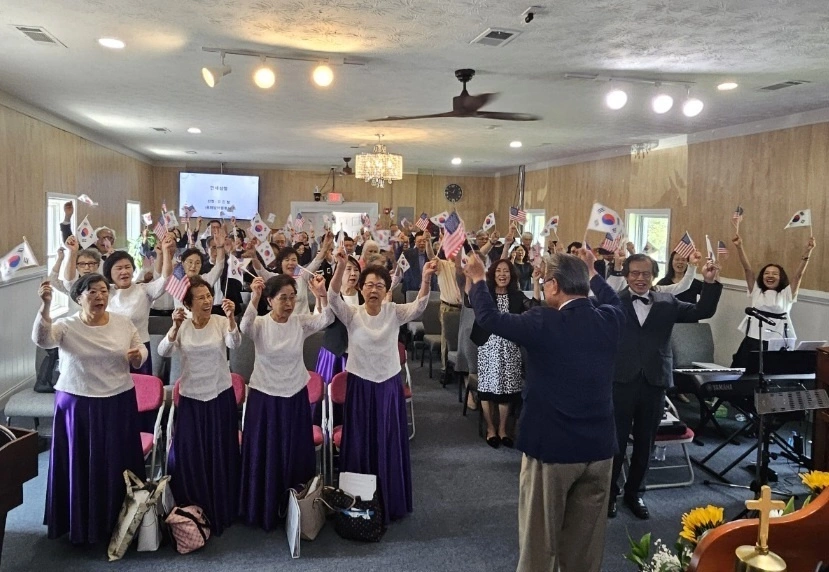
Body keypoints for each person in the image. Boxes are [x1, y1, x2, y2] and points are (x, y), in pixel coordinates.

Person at [464, 248, 623, 572]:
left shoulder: (543, 319)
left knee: (540, 544)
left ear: (552, 286)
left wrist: (479, 279)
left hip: (553, 449)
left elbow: (489, 319)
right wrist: (593, 272)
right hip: (600, 450)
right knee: (585, 549)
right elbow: (617, 302)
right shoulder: (609, 319)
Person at [33, 274, 147, 544]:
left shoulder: (122, 322)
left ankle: (118, 521)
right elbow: (42, 340)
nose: (100, 297)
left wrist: (138, 356)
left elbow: (140, 349)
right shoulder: (66, 325)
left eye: (104, 292)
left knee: (116, 461)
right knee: (79, 462)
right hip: (77, 402)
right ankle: (80, 522)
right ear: (78, 297)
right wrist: (45, 307)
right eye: (92, 292)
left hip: (117, 400)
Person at [608, 254, 723, 520]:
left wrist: (709, 283)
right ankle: (610, 493)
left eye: (646, 274)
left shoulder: (667, 302)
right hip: (620, 380)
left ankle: (635, 492)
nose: (640, 278)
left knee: (646, 442)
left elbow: (701, 311)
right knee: (616, 440)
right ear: (626, 276)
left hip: (654, 381)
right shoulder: (613, 300)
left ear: (654, 276)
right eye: (635, 273)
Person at [328, 249, 437, 523]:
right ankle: (358, 502)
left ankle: (390, 500)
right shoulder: (351, 314)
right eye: (369, 285)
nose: (374, 289)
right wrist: (340, 267)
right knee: (361, 440)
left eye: (379, 285)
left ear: (386, 289)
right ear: (361, 289)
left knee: (387, 440)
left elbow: (420, 306)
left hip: (387, 386)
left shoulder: (394, 312)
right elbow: (331, 297)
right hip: (360, 387)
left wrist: (425, 279)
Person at [239, 274, 333, 531]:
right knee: (266, 452)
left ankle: (299, 508)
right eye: (283, 298)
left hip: (294, 395)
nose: (289, 303)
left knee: (294, 451)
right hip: (264, 396)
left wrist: (320, 295)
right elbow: (244, 328)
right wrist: (253, 297)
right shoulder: (259, 323)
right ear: (270, 301)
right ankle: (265, 506)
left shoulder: (300, 323)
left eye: (292, 297)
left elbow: (326, 319)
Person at [158, 277, 241, 535]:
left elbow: (234, 344)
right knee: (190, 453)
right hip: (192, 398)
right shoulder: (182, 325)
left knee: (220, 451)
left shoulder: (218, 321)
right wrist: (173, 328)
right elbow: (163, 351)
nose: (207, 301)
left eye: (209, 296)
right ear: (188, 303)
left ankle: (223, 505)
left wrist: (230, 319)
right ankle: (192, 505)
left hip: (219, 395)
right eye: (201, 298)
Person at [471, 259, 541, 448]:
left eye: (506, 271)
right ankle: (490, 429)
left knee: (507, 390)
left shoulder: (517, 296)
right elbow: (470, 302)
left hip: (510, 348)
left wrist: (535, 283)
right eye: (499, 271)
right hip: (488, 347)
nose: (502, 275)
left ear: (512, 276)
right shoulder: (485, 293)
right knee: (487, 391)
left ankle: (502, 429)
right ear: (493, 275)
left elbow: (534, 309)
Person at [731, 232, 816, 366]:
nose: (770, 276)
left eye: (775, 273)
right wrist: (739, 247)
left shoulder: (786, 294)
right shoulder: (757, 291)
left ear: (781, 277)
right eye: (766, 273)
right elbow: (748, 269)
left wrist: (808, 252)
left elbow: (798, 275)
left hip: (778, 341)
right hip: (754, 339)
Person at [98, 235, 174, 375]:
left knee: (141, 391)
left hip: (139, 350)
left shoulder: (144, 290)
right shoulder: (104, 292)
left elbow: (166, 279)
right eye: (119, 268)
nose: (124, 272)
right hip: (110, 348)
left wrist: (166, 252)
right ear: (109, 272)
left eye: (128, 267)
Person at [251, 233, 333, 316]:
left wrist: (325, 246)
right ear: (280, 263)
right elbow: (260, 271)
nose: (291, 263)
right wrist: (253, 256)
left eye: (294, 260)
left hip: (304, 323)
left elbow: (316, 262)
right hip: (283, 323)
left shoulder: (303, 276)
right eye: (287, 260)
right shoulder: (275, 279)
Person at [315, 255, 362, 384]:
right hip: (334, 354)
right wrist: (320, 298)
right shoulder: (331, 296)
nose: (353, 273)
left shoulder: (364, 296)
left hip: (358, 354)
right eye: (348, 269)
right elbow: (320, 321)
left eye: (356, 270)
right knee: (331, 395)